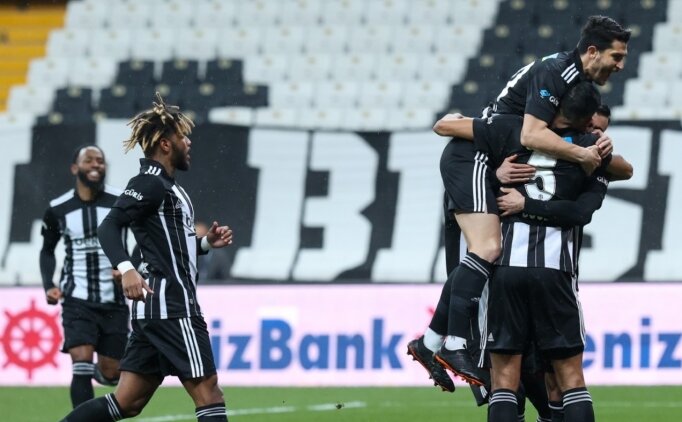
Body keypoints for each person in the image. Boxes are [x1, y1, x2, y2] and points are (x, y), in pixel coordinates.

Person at [422, 15, 631, 386]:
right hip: (474, 158)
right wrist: (581, 155)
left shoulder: (571, 88)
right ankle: (451, 343)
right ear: (592, 51)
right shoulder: (553, 79)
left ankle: (432, 342)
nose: (621, 66)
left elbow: (623, 169)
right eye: (616, 57)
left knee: (480, 259)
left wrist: (596, 150)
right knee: (487, 249)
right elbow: (525, 135)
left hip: (489, 160)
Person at [60, 93, 234, 422]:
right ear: (166, 144)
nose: (188, 142)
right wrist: (127, 268)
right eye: (182, 137)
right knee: (209, 392)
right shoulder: (150, 183)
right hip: (173, 307)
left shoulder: (169, 187)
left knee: (127, 403)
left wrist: (205, 243)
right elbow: (109, 226)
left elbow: (168, 244)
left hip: (153, 310)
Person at [482, 82, 611, 422]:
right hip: (554, 272)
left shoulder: (516, 136)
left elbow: (453, 134)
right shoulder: (591, 153)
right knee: (570, 380)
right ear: (586, 120)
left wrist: (496, 177)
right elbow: (581, 212)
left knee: (504, 381)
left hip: (505, 270)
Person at [40, 145, 129, 408]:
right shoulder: (58, 208)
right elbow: (47, 251)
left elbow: (144, 237)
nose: (95, 165)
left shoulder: (121, 202)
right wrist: (48, 285)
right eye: (89, 160)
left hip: (114, 300)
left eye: (100, 160)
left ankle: (103, 372)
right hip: (77, 298)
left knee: (112, 373)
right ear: (74, 168)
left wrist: (129, 268)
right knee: (81, 362)